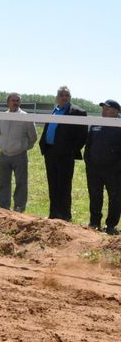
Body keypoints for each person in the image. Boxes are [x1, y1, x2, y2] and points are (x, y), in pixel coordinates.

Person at [39, 86, 88, 221]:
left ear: (70, 97)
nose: (64, 97)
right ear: (57, 97)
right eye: (61, 95)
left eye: (66, 95)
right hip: (50, 152)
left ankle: (65, 216)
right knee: (53, 184)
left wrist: (72, 150)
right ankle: (53, 214)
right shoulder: (55, 110)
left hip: (66, 155)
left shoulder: (78, 112)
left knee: (64, 186)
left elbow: (83, 135)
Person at [84, 100, 121, 234]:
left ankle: (111, 225)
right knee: (95, 196)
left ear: (116, 112)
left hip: (114, 170)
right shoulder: (96, 124)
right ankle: (94, 222)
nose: (103, 111)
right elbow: (89, 143)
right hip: (94, 169)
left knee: (115, 197)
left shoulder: (119, 125)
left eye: (107, 109)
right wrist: (87, 160)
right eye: (103, 108)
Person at [0, 93, 37, 212]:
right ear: (8, 102)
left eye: (17, 100)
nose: (15, 102)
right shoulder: (2, 116)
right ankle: (4, 207)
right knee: (3, 181)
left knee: (21, 182)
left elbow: (33, 137)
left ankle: (19, 207)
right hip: (4, 154)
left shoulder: (26, 117)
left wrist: (23, 147)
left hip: (19, 155)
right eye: (13, 100)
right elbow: (0, 133)